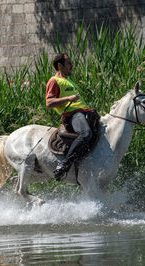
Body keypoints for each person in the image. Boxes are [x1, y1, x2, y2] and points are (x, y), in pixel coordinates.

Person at [46, 53, 94, 181]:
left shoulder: (69, 81)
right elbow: (49, 103)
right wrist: (69, 98)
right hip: (72, 115)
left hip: (84, 113)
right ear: (60, 65)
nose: (72, 66)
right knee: (85, 133)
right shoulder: (54, 81)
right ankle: (64, 164)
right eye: (69, 63)